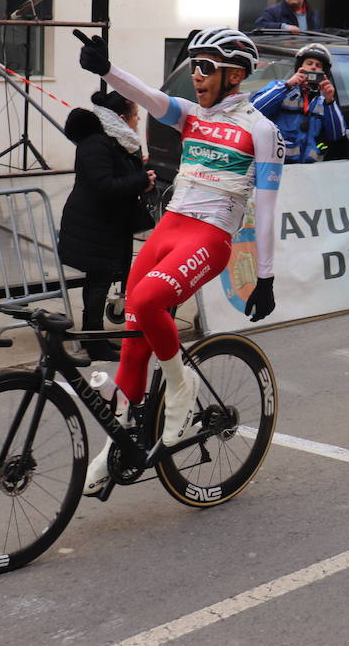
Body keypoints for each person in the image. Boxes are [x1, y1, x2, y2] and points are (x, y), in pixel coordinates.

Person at [76, 27, 283, 484]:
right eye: (194, 67)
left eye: (206, 68)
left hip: (208, 238)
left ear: (235, 74)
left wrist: (264, 277)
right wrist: (106, 69)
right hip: (169, 228)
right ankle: (117, 447)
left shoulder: (261, 130)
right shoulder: (190, 115)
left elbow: (266, 209)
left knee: (148, 301)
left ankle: (181, 389)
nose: (197, 77)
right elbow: (148, 96)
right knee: (133, 335)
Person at [58, 89, 156, 361]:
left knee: (99, 280)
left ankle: (96, 337)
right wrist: (140, 180)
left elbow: (123, 177)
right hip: (93, 226)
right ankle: (94, 341)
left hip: (109, 224)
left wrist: (142, 178)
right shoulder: (96, 144)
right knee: (98, 281)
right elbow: (105, 185)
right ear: (122, 118)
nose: (138, 120)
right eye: (136, 115)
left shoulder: (118, 142)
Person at [251, 42, 345, 163]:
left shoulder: (324, 101)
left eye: (318, 65)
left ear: (324, 71)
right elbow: (255, 111)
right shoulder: (281, 88)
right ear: (300, 67)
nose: (313, 67)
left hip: (308, 171)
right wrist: (287, 85)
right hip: (276, 166)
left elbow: (337, 134)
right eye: (309, 63)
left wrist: (330, 101)